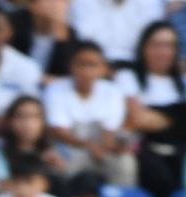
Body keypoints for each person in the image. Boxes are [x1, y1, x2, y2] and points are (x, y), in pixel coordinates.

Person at [118, 20, 186, 197]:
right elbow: (138, 119)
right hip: (147, 149)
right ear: (143, 47)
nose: (163, 51)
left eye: (169, 45)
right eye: (156, 45)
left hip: (183, 150)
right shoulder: (128, 77)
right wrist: (177, 118)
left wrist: (162, 118)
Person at [42, 43, 139, 188]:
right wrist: (89, 145)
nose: (87, 71)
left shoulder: (113, 91)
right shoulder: (55, 89)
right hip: (70, 147)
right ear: (71, 66)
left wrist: (111, 146)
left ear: (103, 68)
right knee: (57, 162)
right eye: (82, 64)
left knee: (125, 162)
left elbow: (110, 130)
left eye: (93, 65)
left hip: (102, 147)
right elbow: (59, 131)